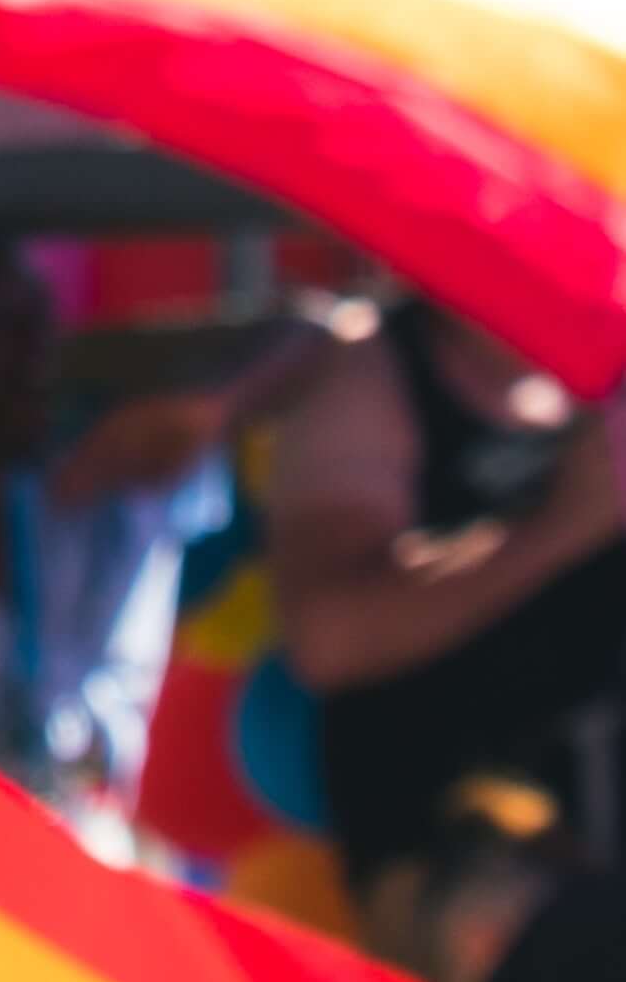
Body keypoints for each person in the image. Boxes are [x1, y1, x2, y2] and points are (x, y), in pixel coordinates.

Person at [0, 215, 323, 834]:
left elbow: (320, 335)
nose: (34, 351)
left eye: (38, 320)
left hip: (84, 866)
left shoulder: (107, 478)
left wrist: (214, 411)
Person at [265, 299, 626, 885]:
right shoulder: (371, 370)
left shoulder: (604, 363)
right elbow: (327, 638)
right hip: (455, 873)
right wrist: (564, 525)